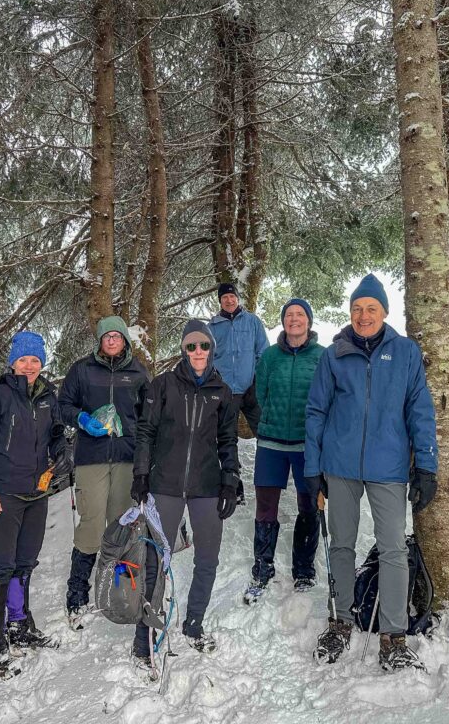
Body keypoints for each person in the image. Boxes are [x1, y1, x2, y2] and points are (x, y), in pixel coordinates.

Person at [304, 274, 438, 672]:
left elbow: (420, 410)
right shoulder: (334, 355)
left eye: (371, 309)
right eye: (357, 309)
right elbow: (316, 412)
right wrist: (313, 468)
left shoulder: (406, 352)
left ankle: (393, 637)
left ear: (385, 312)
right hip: (340, 465)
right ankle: (340, 622)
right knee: (341, 544)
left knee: (393, 547)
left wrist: (426, 465)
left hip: (389, 466)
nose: (364, 316)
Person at [130, 319, 240, 663]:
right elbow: (146, 432)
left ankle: (194, 623)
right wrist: (141, 474)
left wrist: (230, 480)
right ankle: (145, 633)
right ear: (183, 349)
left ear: (212, 348)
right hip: (166, 483)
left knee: (207, 557)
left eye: (203, 345)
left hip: (206, 486)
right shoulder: (163, 385)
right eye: (191, 346)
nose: (198, 351)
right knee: (155, 558)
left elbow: (228, 440)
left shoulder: (222, 392)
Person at [0, 331, 73, 676]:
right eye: (23, 359)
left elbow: (55, 433)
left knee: (24, 564)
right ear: (13, 362)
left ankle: (19, 625)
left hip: (36, 495)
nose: (29, 366)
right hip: (3, 496)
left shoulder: (48, 396)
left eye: (35, 360)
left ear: (42, 364)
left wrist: (62, 451)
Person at [59, 316, 149, 629]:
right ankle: (77, 593)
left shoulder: (138, 372)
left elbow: (148, 416)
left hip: (126, 458)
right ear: (99, 340)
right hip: (91, 458)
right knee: (91, 524)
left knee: (121, 525)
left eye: (117, 336)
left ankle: (118, 589)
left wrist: (146, 456)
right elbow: (63, 406)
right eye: (106, 336)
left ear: (125, 340)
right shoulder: (82, 370)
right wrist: (82, 419)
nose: (111, 341)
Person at [244, 298, 325, 604]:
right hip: (271, 442)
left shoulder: (322, 356)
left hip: (307, 445)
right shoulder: (269, 356)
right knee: (266, 507)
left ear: (309, 321)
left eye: (300, 314)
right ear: (283, 321)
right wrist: (274, 417)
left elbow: (327, 396)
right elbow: (261, 394)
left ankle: (303, 570)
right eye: (289, 314)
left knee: (309, 506)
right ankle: (262, 569)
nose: (294, 319)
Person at [209, 282, 269, 436]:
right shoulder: (212, 327)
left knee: (265, 432)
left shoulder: (252, 321)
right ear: (220, 300)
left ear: (237, 298)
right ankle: (230, 454)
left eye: (232, 296)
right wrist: (216, 383)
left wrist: (256, 381)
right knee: (227, 436)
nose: (229, 300)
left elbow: (263, 352)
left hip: (251, 391)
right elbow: (207, 359)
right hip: (226, 392)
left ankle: (267, 453)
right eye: (225, 297)